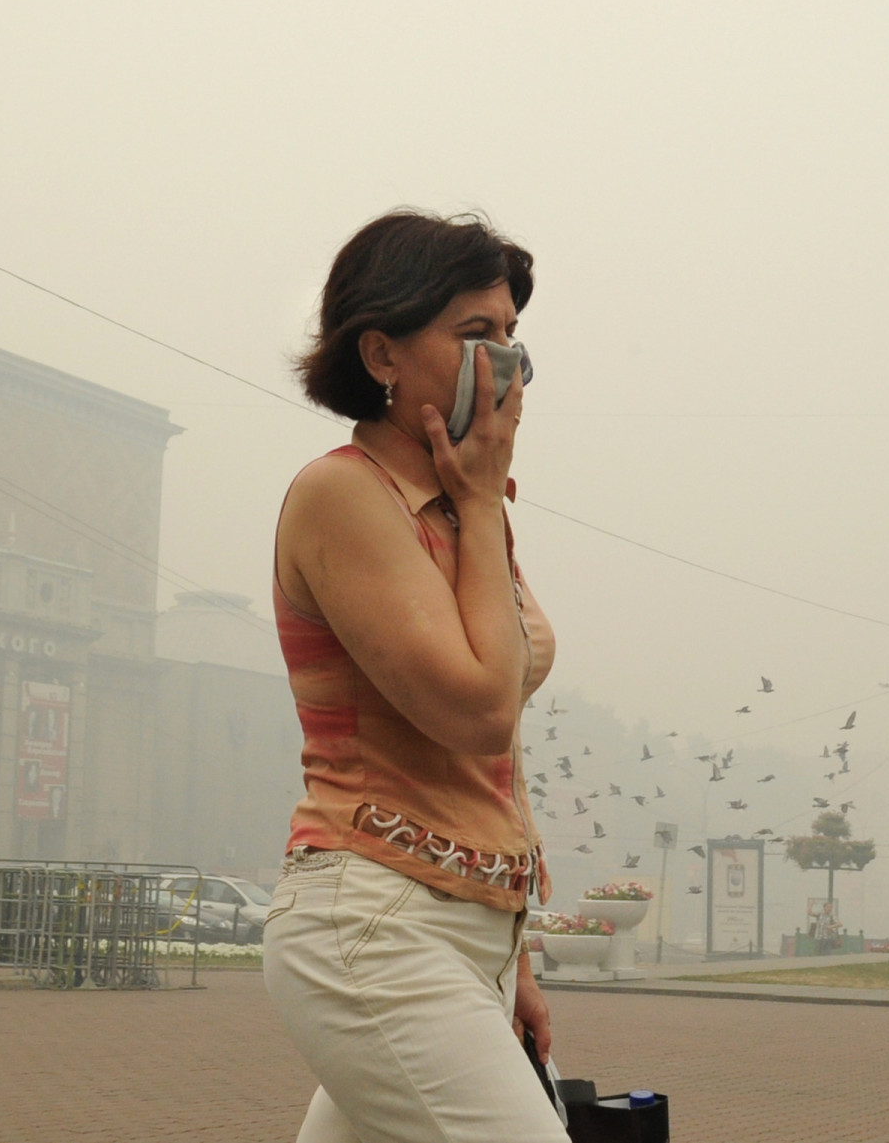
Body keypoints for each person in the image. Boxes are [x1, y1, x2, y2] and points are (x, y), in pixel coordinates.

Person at [261, 210, 566, 1141]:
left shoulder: (464, 504)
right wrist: (478, 495)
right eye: (474, 334)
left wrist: (512, 954)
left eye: (512, 334)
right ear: (383, 354)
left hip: (460, 933)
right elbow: (476, 709)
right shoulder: (345, 493)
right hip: (376, 924)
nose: (505, 362)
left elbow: (493, 755)